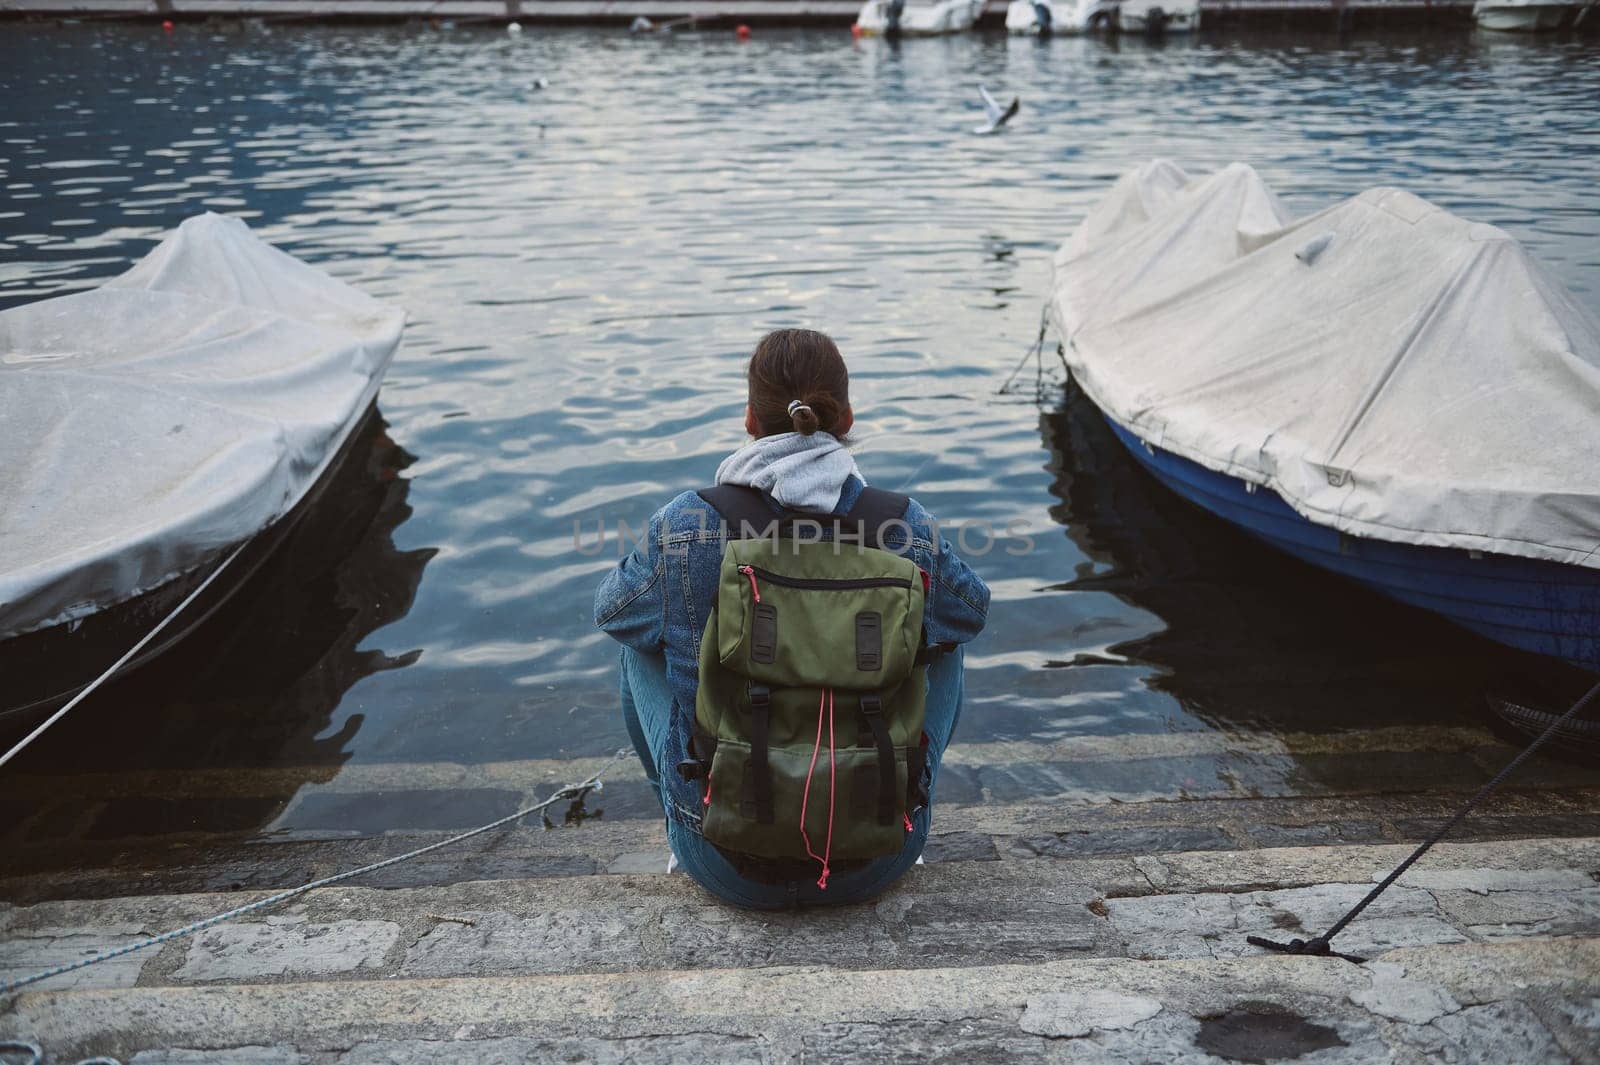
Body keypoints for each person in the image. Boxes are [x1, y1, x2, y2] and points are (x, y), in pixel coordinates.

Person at [593, 328, 989, 909]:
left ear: (750, 419)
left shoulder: (689, 521)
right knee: (941, 632)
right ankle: (900, 800)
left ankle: (682, 820)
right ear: (846, 415)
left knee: (640, 640)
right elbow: (972, 612)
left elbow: (612, 611)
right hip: (881, 857)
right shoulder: (900, 523)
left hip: (723, 860)